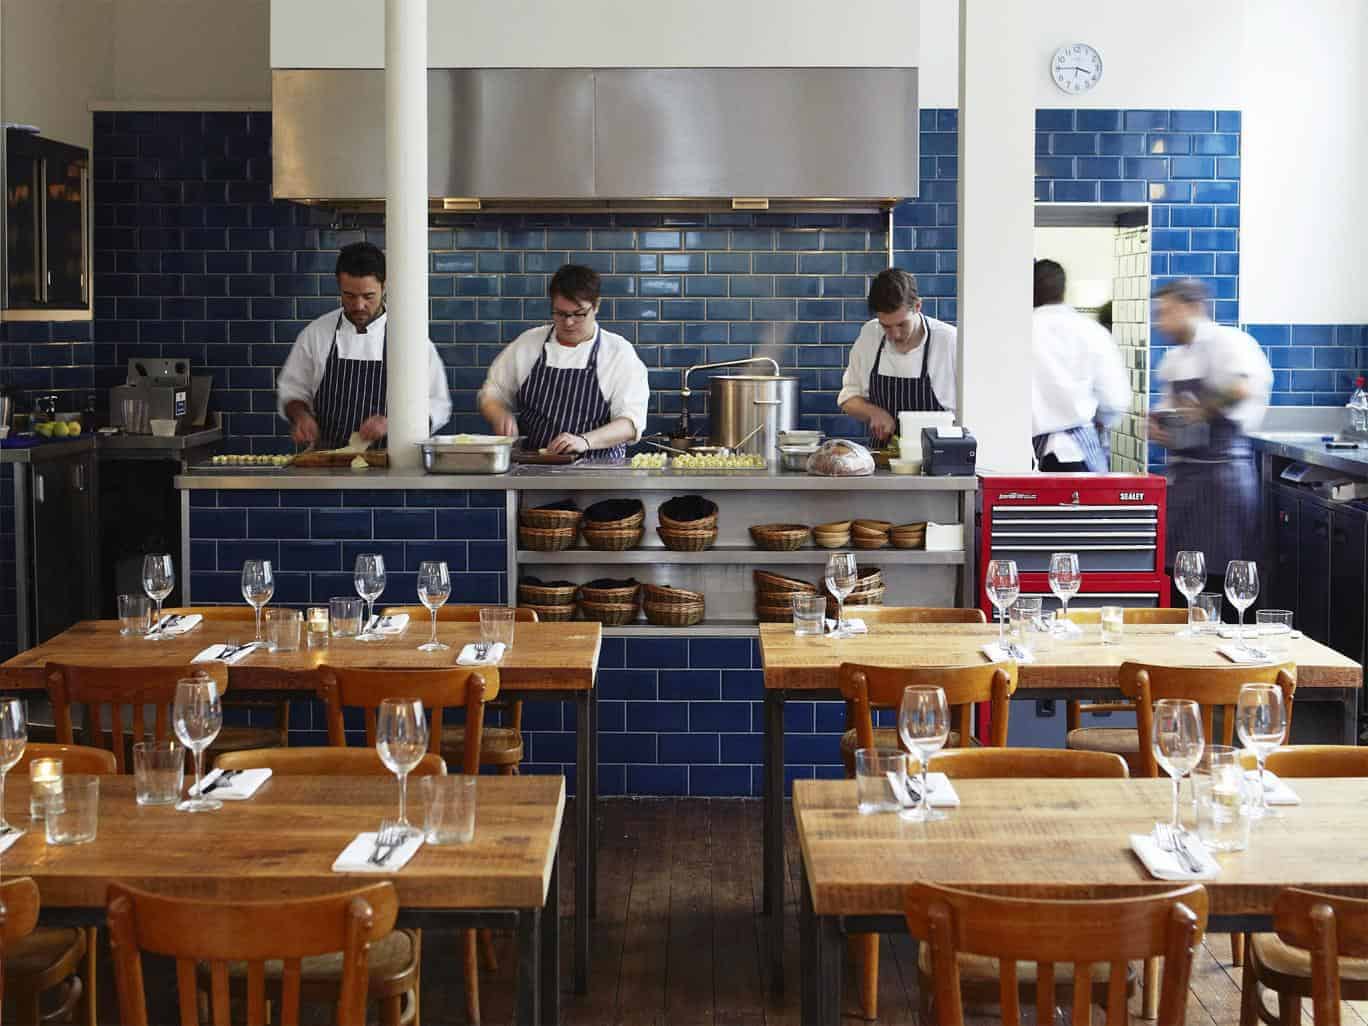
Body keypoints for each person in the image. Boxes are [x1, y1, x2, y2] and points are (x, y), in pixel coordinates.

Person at [277, 242, 452, 449]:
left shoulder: (410, 340)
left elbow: (437, 403)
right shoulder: (316, 334)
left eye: (368, 296)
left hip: (393, 462)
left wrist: (394, 423)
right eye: (349, 295)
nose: (359, 305)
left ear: (384, 286)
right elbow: (293, 391)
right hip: (327, 461)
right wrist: (301, 416)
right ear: (339, 286)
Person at [1151, 277, 1273, 570]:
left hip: (1223, 478)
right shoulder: (1173, 358)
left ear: (1194, 307)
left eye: (1167, 312)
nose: (1160, 322)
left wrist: (1202, 410)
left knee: (1221, 573)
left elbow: (1242, 388)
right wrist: (1159, 428)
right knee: (1178, 571)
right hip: (1184, 478)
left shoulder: (1229, 342)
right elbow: (1169, 411)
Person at [478, 264, 649, 459]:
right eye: (560, 313)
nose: (568, 322)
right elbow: (493, 393)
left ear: (596, 306)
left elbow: (630, 423)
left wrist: (585, 441)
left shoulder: (618, 352)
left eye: (579, 314)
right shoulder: (528, 344)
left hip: (601, 469)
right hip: (534, 468)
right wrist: (499, 413)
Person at [1030, 259, 1130, 472]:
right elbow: (1115, 401)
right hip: (1080, 454)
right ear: (1063, 290)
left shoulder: (1020, 333)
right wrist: (1101, 422)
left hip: (1030, 456)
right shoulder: (1092, 332)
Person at [837, 268, 957, 445]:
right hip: (883, 458)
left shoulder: (949, 341)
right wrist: (874, 412)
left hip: (939, 457)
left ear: (917, 306)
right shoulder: (870, 335)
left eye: (902, 324)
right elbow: (848, 398)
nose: (895, 334)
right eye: (885, 326)